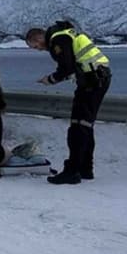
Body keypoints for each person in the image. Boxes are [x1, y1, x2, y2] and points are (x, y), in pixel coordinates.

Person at [26, 21, 112, 184]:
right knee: (85, 126)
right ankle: (85, 168)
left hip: (92, 82)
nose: (39, 49)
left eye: (35, 46)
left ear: (38, 38)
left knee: (77, 127)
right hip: (96, 79)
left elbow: (67, 68)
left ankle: (72, 171)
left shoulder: (58, 40)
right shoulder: (67, 35)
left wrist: (50, 80)